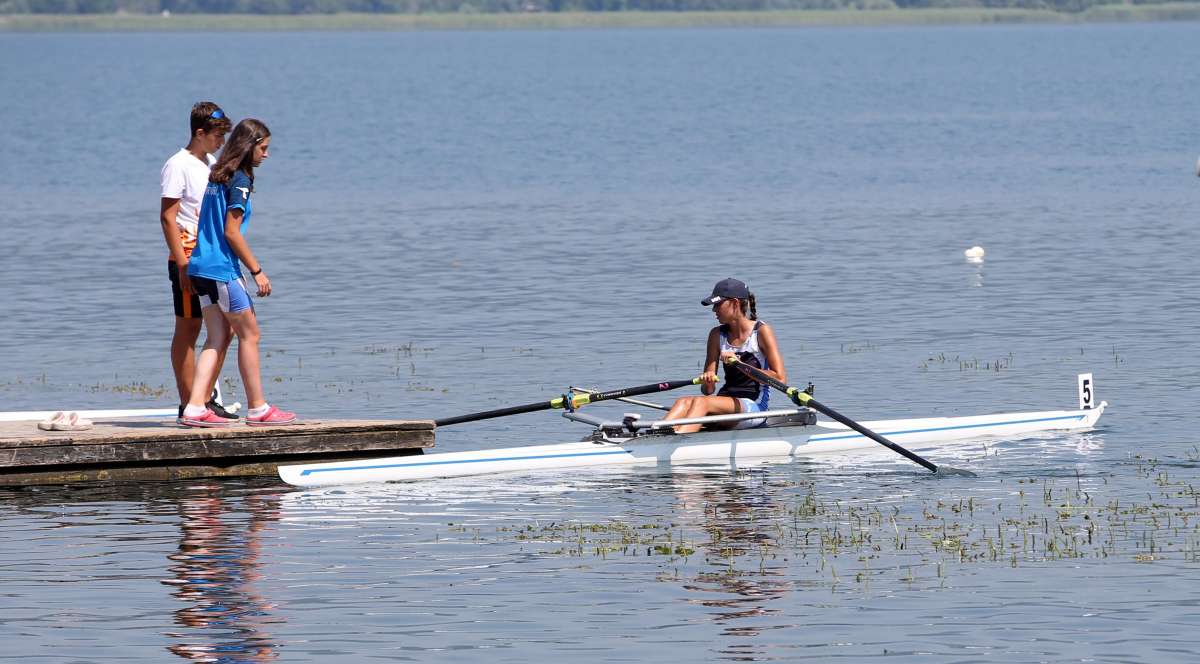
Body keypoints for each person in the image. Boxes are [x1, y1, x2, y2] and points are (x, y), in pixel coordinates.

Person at [179, 118, 296, 427]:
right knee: (250, 334)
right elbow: (232, 232)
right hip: (221, 269)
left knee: (217, 336)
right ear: (249, 146)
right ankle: (258, 408)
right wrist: (257, 271)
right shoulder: (240, 180)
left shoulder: (217, 176)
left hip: (200, 267)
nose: (266, 155)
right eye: (264, 148)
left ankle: (193, 407)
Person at [160, 102, 238, 423]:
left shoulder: (209, 162)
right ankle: (188, 403)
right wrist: (181, 265)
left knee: (226, 328)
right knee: (189, 329)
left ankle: (205, 400)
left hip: (210, 257)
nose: (221, 141)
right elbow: (168, 217)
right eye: (217, 136)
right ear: (200, 133)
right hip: (188, 258)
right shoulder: (177, 165)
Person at [663, 278, 786, 434]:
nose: (714, 310)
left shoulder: (761, 331)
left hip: (754, 406)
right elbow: (708, 391)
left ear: (734, 303)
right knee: (684, 401)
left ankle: (674, 441)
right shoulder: (716, 334)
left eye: (718, 304)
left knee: (701, 403)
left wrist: (740, 364)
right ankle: (657, 434)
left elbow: (780, 379)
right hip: (725, 402)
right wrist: (707, 380)